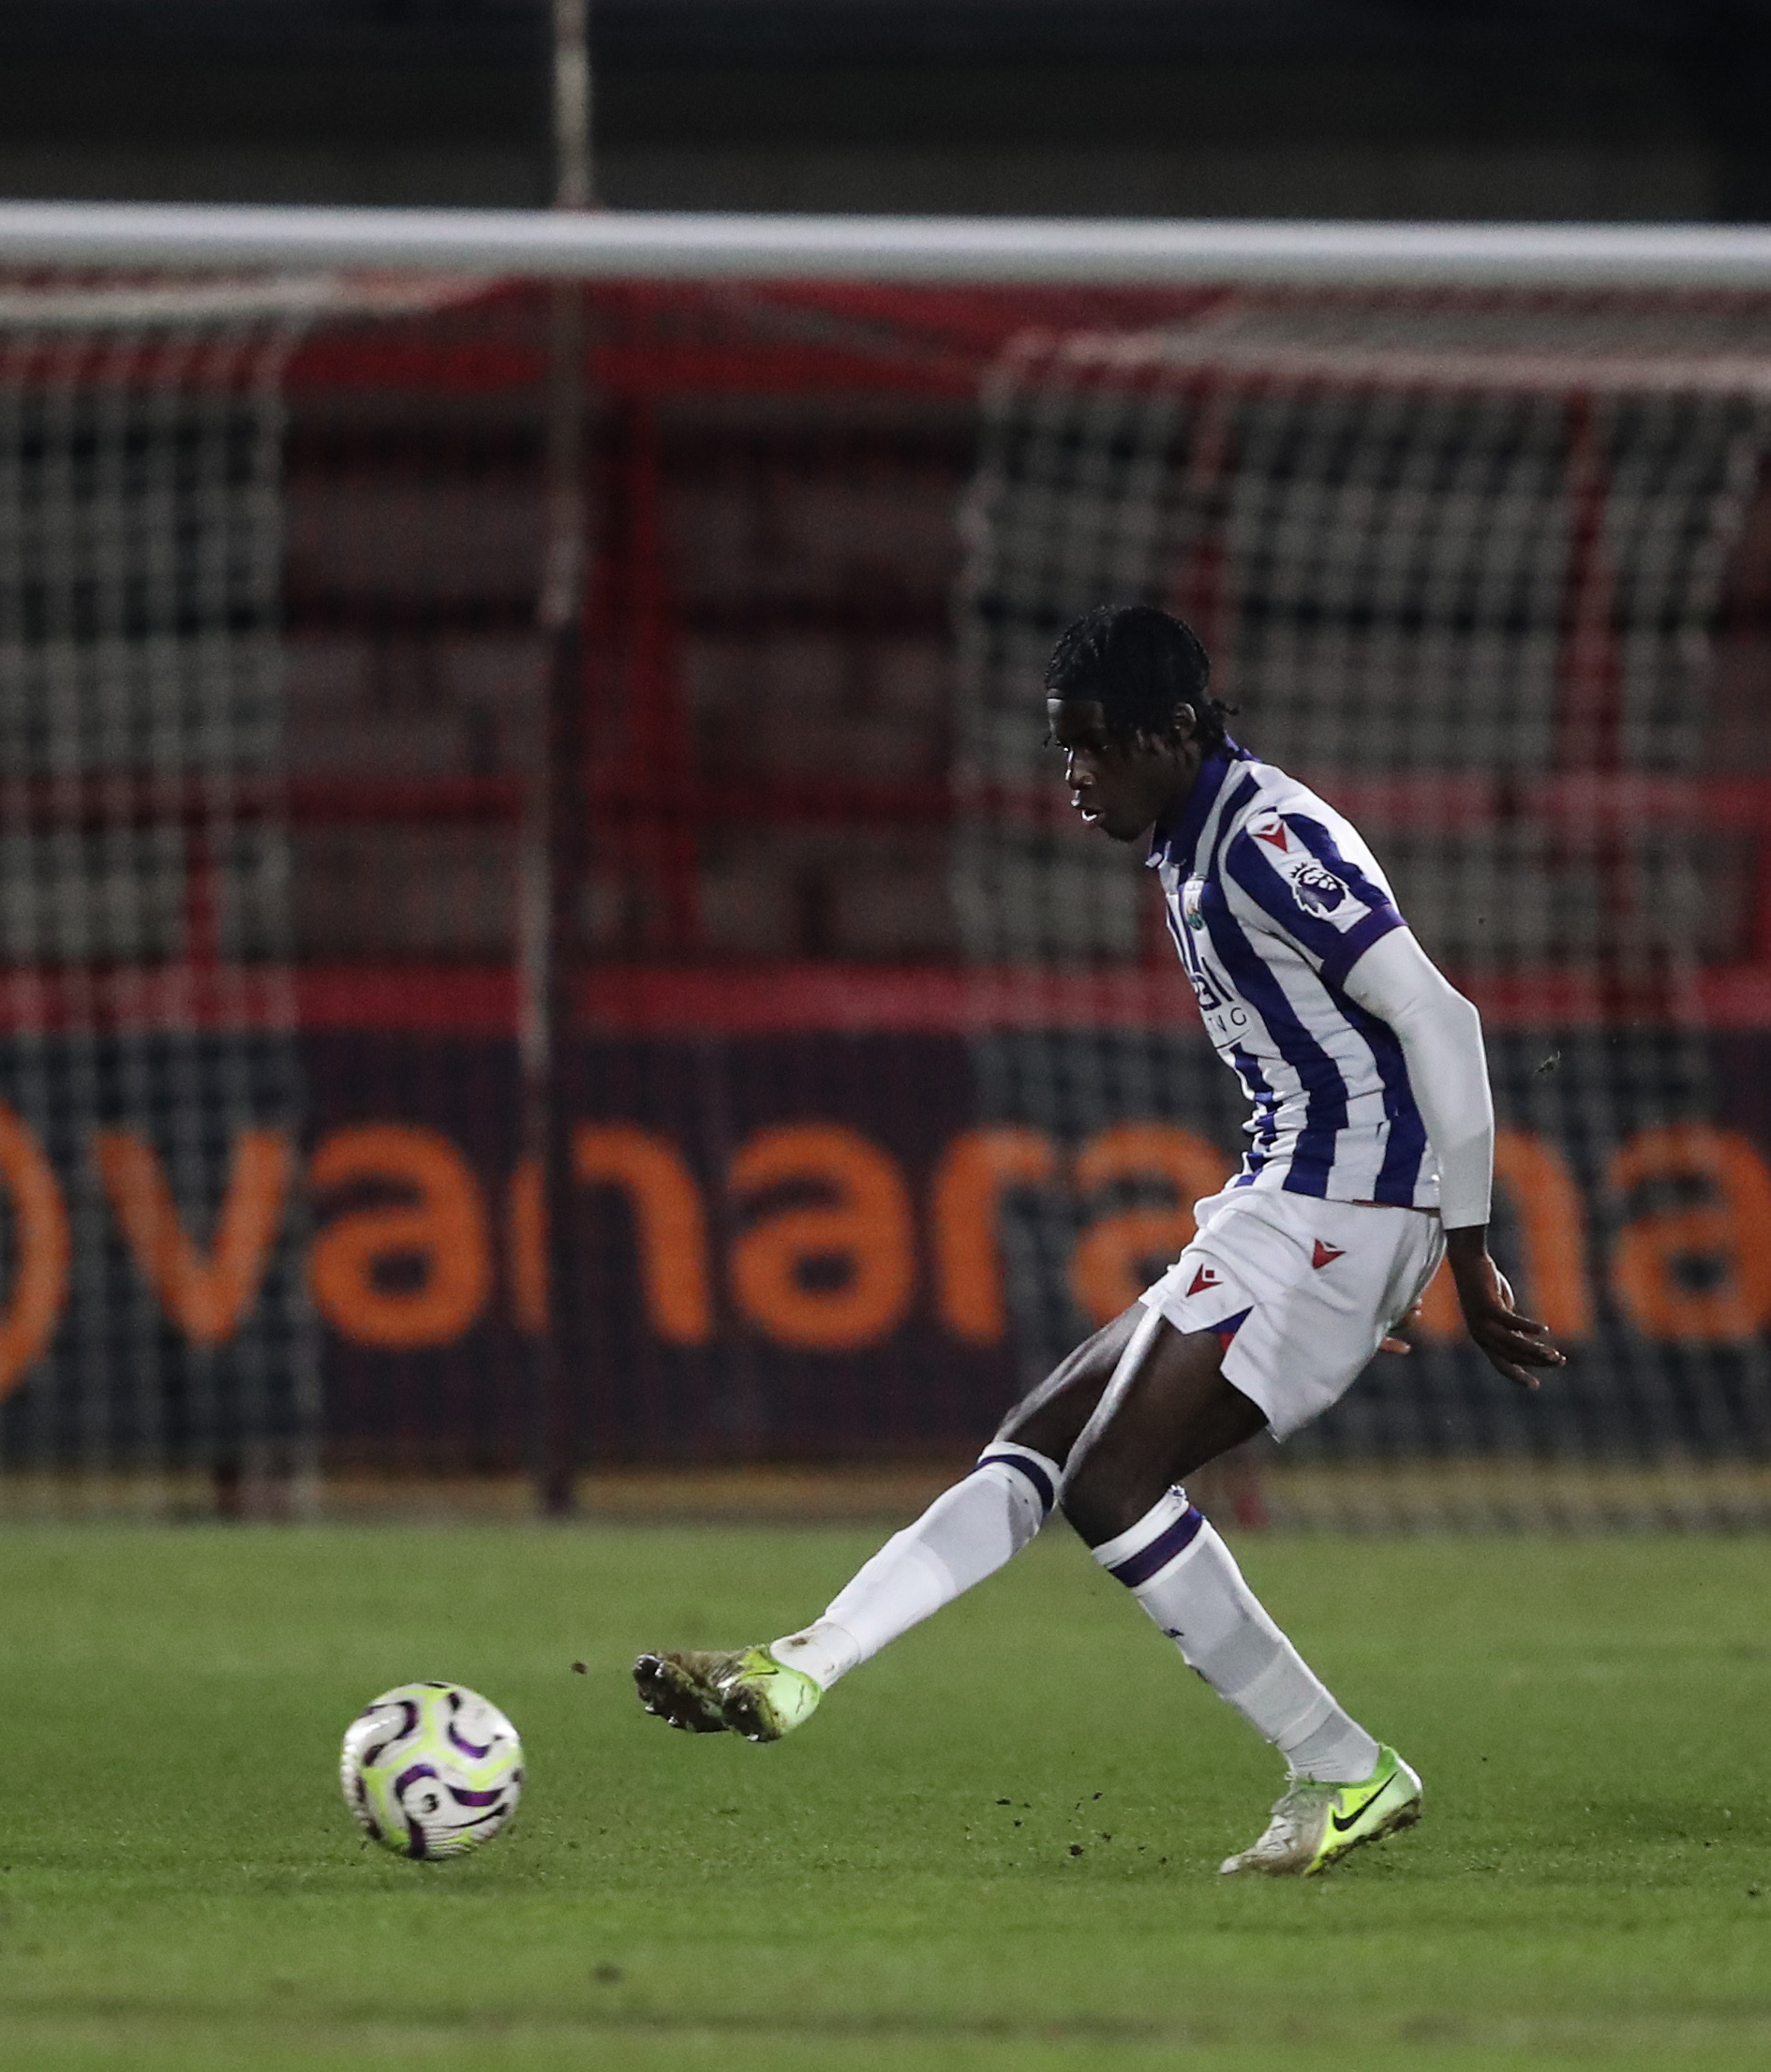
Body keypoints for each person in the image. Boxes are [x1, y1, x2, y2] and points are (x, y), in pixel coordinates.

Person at [634, 603, 1563, 1875]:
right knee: (1036, 1447)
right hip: (1297, 1206)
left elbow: (1440, 1021)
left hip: (1330, 1211)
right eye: (1065, 749)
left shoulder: (1266, 837)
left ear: (1174, 732)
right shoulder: (1190, 840)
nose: (1074, 777)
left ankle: (1344, 1767)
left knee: (1117, 1488)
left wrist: (1455, 1245)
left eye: (1094, 748)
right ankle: (803, 1663)